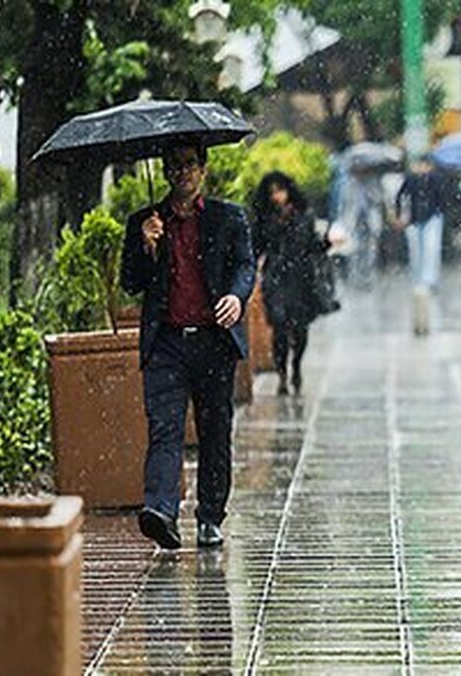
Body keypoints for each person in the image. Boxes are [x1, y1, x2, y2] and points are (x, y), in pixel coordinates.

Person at [121, 143, 256, 551]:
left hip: (214, 341)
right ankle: (160, 511)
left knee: (215, 431)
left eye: (190, 165)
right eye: (175, 167)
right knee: (165, 428)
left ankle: (210, 516)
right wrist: (146, 247)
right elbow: (131, 282)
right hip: (167, 344)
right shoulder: (145, 222)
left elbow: (245, 265)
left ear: (203, 170)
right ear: (164, 173)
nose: (183, 173)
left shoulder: (228, 217)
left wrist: (236, 296)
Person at [251, 171, 333, 396]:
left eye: (280, 190)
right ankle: (282, 374)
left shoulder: (304, 215)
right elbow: (256, 247)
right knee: (278, 327)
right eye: (273, 192)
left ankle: (296, 365)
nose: (277, 196)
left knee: (300, 329)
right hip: (276, 278)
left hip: (301, 278)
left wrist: (326, 242)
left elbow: (312, 245)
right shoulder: (264, 217)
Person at [394, 156, 446, 335]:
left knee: (431, 249)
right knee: (416, 251)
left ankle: (429, 279)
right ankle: (418, 278)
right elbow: (401, 195)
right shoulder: (411, 178)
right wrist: (402, 215)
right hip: (415, 220)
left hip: (432, 218)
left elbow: (442, 197)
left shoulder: (435, 178)